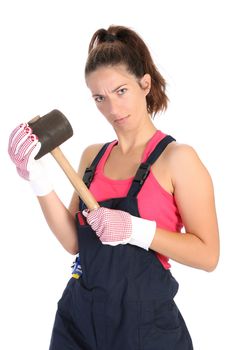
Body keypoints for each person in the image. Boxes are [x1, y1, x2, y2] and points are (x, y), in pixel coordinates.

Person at [8, 25, 219, 350]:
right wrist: (38, 178)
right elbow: (73, 242)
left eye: (121, 91)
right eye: (99, 98)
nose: (112, 108)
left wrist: (135, 230)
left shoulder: (178, 159)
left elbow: (208, 255)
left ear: (144, 83)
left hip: (145, 328)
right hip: (78, 320)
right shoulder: (92, 157)